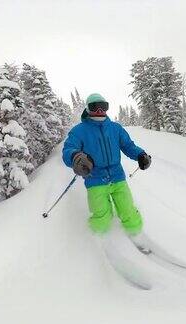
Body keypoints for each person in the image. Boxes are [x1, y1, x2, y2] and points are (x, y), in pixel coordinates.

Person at [62, 93, 151, 236]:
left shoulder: (115, 128)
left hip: (117, 176)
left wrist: (140, 155)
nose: (99, 111)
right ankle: (99, 241)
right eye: (94, 107)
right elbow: (68, 149)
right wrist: (75, 156)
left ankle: (137, 235)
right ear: (87, 109)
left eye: (103, 107)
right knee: (101, 214)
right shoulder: (79, 130)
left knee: (127, 209)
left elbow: (128, 146)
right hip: (94, 179)